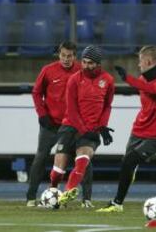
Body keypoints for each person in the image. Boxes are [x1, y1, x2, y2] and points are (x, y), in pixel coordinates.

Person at [96, 45, 156, 212]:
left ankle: (117, 203)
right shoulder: (142, 79)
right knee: (127, 164)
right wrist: (136, 81)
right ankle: (119, 202)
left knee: (129, 161)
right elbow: (146, 92)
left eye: (140, 62)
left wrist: (129, 79)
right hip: (139, 130)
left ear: (148, 61)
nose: (139, 65)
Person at [26, 41, 94, 208]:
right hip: (51, 124)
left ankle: (87, 199)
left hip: (73, 125)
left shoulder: (82, 71)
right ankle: (30, 197)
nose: (66, 59)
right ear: (59, 54)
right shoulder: (48, 70)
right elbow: (36, 93)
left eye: (69, 56)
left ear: (75, 56)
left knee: (83, 159)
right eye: (63, 55)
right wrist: (42, 115)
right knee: (40, 157)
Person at [49, 45, 115, 207]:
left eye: (90, 63)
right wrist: (83, 129)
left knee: (82, 160)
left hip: (91, 129)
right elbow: (71, 109)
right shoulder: (74, 79)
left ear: (98, 64)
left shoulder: (108, 80)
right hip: (70, 127)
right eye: (84, 62)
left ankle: (68, 193)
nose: (86, 66)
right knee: (58, 171)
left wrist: (102, 126)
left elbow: (107, 106)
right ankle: (52, 193)